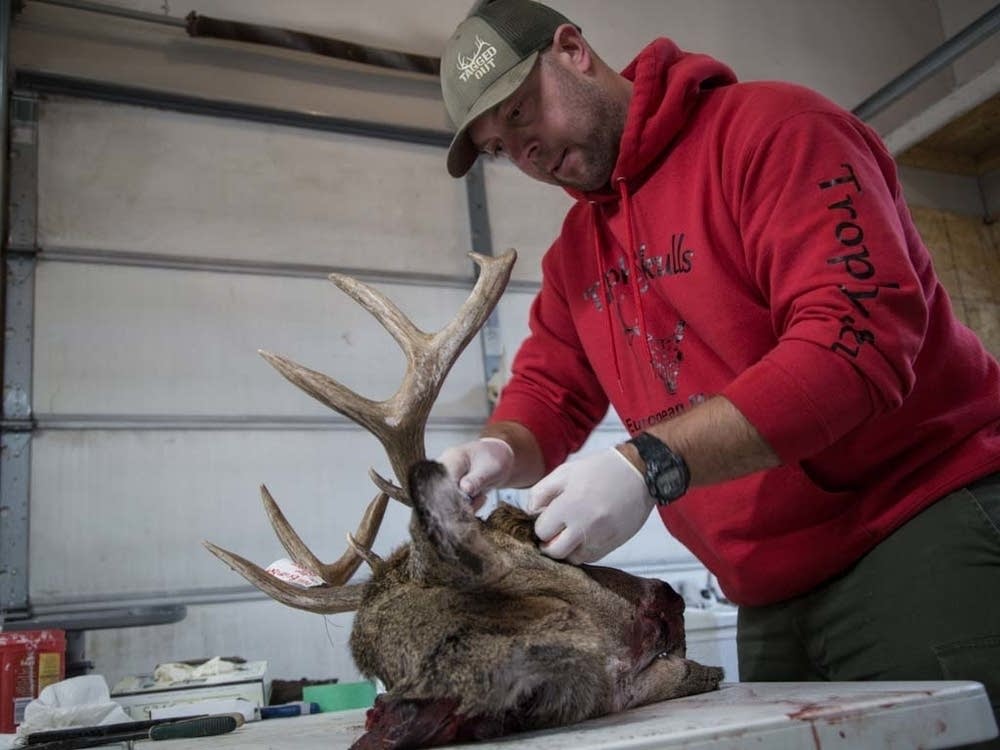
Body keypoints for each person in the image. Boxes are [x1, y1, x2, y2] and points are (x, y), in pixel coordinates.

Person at [436, 0, 1000, 736]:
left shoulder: (775, 133)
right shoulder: (576, 254)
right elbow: (547, 392)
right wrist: (498, 450)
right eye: (499, 147)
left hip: (912, 526)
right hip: (765, 591)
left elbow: (853, 347)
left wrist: (650, 464)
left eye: (519, 111)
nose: (525, 150)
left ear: (572, 51)